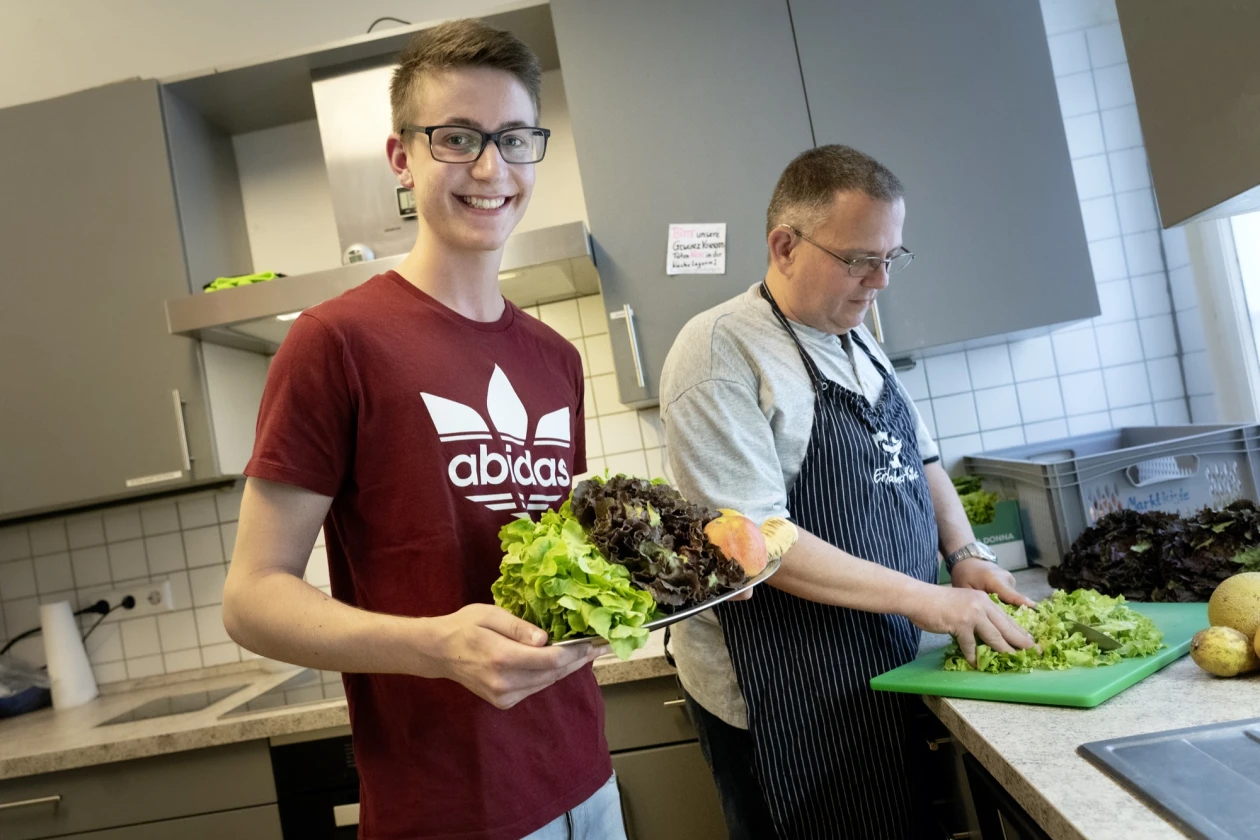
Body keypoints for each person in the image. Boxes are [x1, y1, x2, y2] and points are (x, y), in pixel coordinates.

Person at [222, 20, 625, 840]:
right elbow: (251, 598)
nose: (490, 168)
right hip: (448, 807)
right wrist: (434, 647)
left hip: (588, 776)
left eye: (514, 138)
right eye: (456, 138)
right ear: (402, 158)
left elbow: (548, 563)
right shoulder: (335, 342)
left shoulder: (555, 356)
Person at [659, 144, 1038, 839]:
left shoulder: (858, 337)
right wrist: (929, 599)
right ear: (784, 245)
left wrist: (964, 553)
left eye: (893, 258)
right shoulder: (720, 351)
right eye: (862, 259)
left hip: (887, 661)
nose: (881, 281)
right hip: (787, 693)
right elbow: (755, 544)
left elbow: (920, 461)